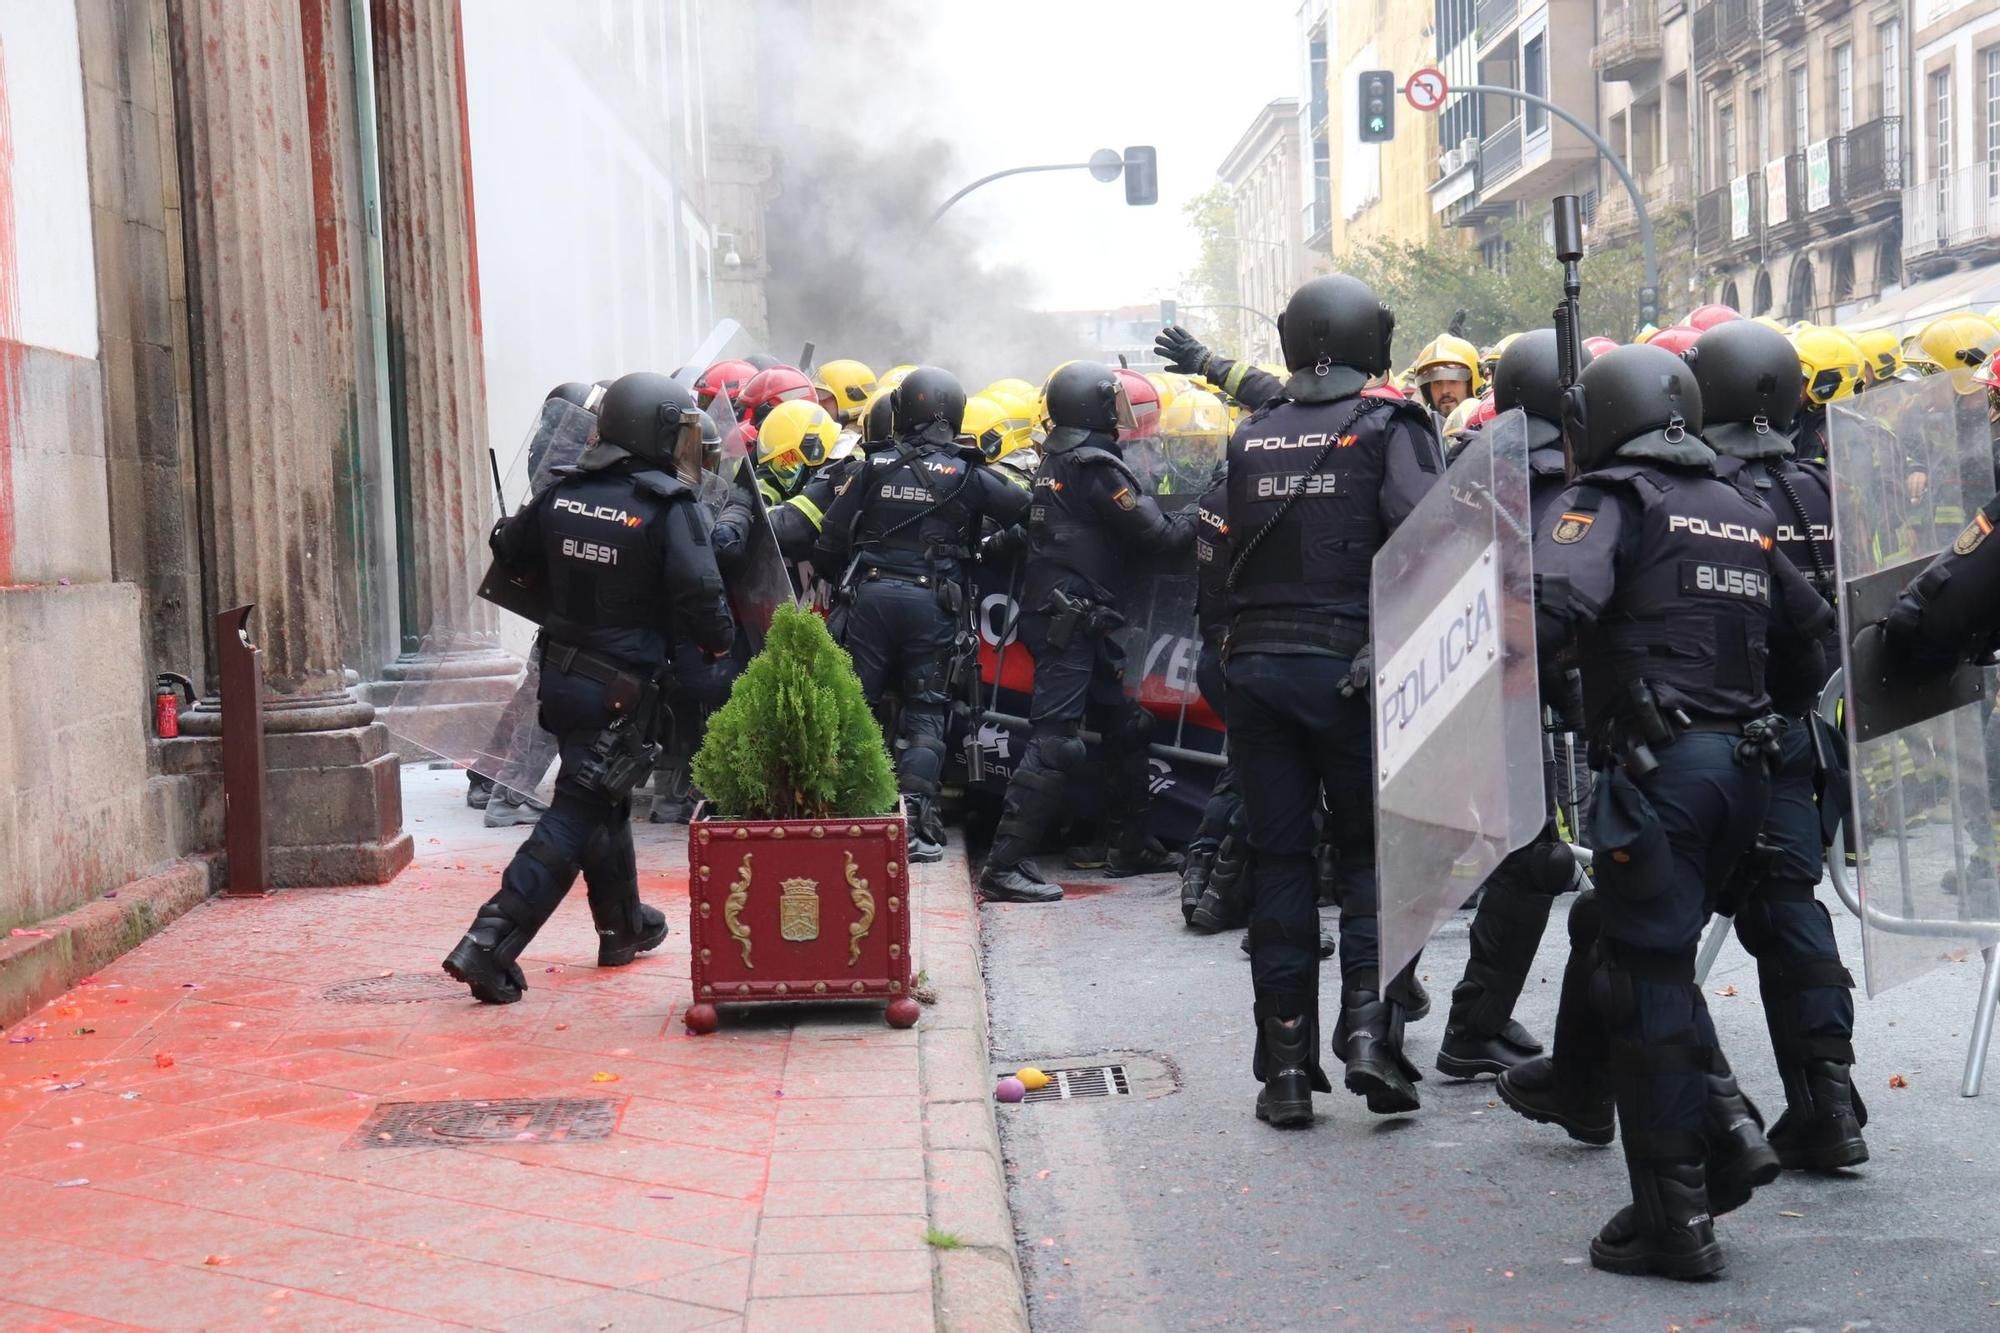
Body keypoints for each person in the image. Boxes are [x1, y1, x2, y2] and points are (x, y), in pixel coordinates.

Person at [1509, 343, 1832, 1280]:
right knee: (1617, 942)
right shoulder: (1738, 507)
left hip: (1662, 775)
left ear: (1606, 422)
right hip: (1745, 768)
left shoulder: (1608, 499)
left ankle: (1675, 1219)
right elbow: (1807, 641)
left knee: (1646, 982)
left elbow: (1551, 612)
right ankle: (1720, 1126)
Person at [1216, 274, 1442, 1127]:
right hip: (1351, 671)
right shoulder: (1391, 427)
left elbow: (1212, 552)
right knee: (1367, 857)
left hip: (1257, 671)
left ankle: (1282, 1070)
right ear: (1365, 339)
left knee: (1278, 862)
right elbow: (1432, 541)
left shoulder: (1251, 435)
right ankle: (1369, 1038)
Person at [443, 372, 736, 1004]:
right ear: (653, 431)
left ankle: (623, 926)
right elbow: (704, 599)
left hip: (561, 678)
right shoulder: (669, 506)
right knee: (576, 811)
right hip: (621, 689)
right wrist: (715, 648)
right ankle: (489, 942)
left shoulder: (562, 489)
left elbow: (511, 556)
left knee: (599, 795)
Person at [1689, 318, 1868, 1174]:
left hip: (1713, 733)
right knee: (1791, 907)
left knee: (1634, 926)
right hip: (1803, 730)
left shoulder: (1705, 490)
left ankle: (1705, 1111)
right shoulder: (1831, 486)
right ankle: (1828, 1101)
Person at [977, 362, 1197, 903]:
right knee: (1056, 744)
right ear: (1092, 408)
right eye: (1111, 402)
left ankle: (1131, 843)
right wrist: (1207, 504)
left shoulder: (1054, 460)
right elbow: (1162, 537)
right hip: (1067, 622)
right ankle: (1003, 866)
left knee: (1127, 727)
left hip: (1077, 618)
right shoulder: (1096, 467)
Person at [1433, 330, 1590, 1080]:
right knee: (1535, 857)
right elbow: (1557, 593)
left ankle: (1423, 1019)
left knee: (1506, 854)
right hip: (1515, 686)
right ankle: (1470, 1025)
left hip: (1455, 684)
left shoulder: (1472, 464)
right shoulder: (1563, 477)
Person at [814, 367, 1030, 864]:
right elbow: (1033, 515)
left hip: (868, 599)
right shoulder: (971, 475)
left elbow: (829, 539)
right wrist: (989, 550)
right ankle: (911, 825)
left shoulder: (870, 467)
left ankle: (850, 815)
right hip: (934, 603)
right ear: (952, 415)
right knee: (927, 714)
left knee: (857, 708)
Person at [1407, 333, 1484, 423]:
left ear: (1471, 385)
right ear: (1427, 390)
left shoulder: (1490, 426)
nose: (1444, 391)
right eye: (1437, 382)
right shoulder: (1418, 431)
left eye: (1453, 381)